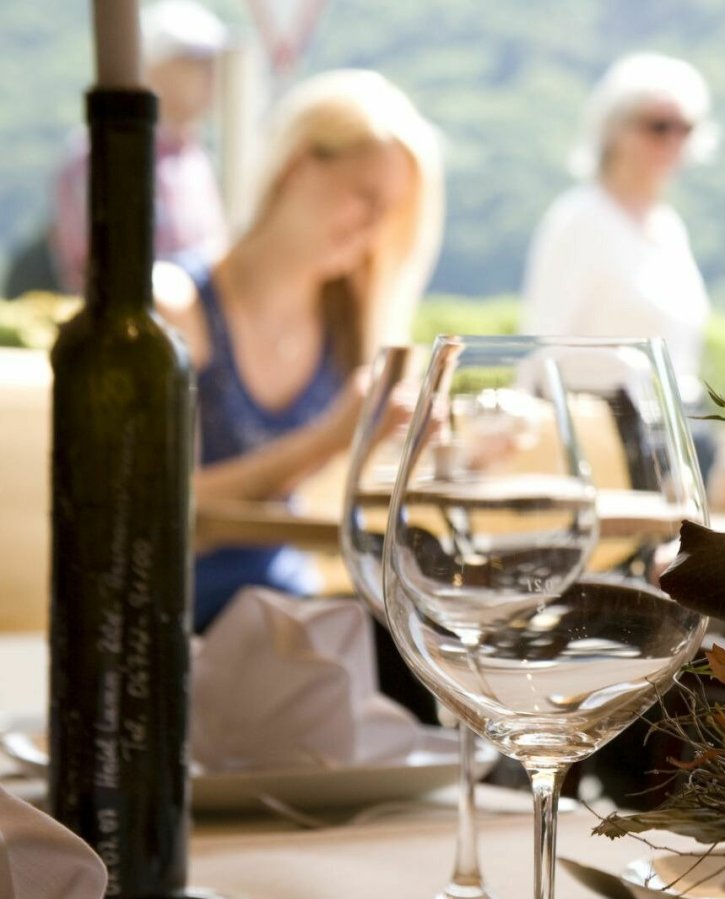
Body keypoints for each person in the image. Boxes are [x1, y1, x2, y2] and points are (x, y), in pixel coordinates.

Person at [155, 68, 444, 632]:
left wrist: (453, 452)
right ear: (295, 165)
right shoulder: (177, 305)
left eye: (391, 212)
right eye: (365, 197)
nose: (374, 227)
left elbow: (347, 499)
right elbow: (164, 508)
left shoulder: (348, 322)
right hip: (179, 622)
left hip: (291, 613)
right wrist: (331, 438)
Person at [519, 52, 718, 477]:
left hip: (675, 434)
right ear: (614, 129)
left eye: (686, 127)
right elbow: (542, 347)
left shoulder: (668, 227)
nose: (673, 141)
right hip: (602, 444)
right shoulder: (579, 219)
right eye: (657, 126)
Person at [45, 0, 232, 295]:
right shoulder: (96, 155)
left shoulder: (195, 156)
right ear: (155, 69)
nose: (212, 76)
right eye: (196, 62)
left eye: (212, 62)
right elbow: (92, 268)